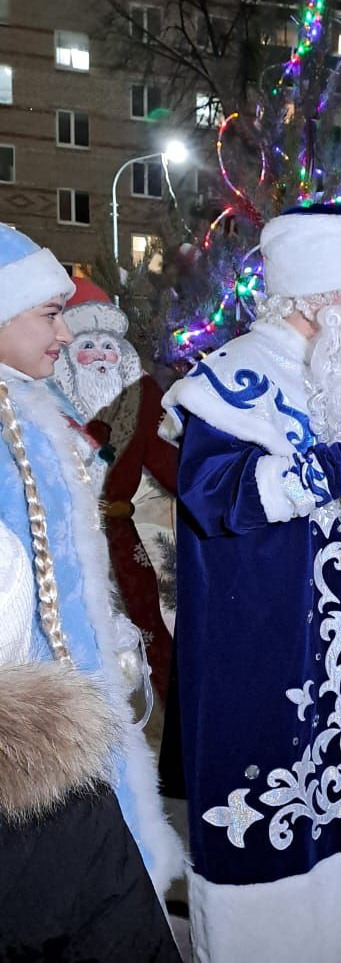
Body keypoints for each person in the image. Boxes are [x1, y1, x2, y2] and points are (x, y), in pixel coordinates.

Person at [0, 224, 247, 963]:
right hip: (35, 758)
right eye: (45, 313)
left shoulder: (36, 408)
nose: (63, 334)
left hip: (70, 716)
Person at [161, 203, 341, 963]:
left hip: (331, 637)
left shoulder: (334, 378)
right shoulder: (235, 377)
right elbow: (213, 497)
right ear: (313, 299)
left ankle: (340, 940)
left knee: (334, 778)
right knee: (264, 786)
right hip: (254, 635)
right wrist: (333, 472)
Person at [53, 278, 177, 729]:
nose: (103, 355)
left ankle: (155, 732)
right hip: (65, 542)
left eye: (110, 345)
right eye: (89, 345)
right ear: (67, 353)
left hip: (129, 540)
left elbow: (172, 464)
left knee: (151, 634)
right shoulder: (45, 401)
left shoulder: (145, 398)